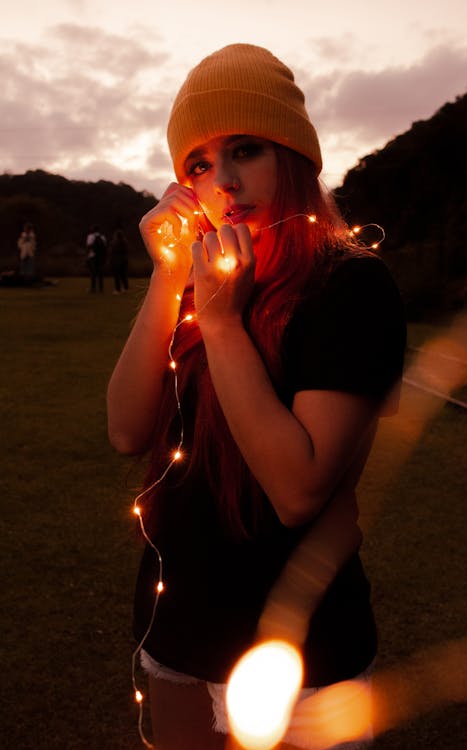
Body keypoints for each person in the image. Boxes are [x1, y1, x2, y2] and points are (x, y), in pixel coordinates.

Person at [107, 44, 406, 750]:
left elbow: (297, 490)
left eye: (247, 150)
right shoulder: (206, 278)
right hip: (179, 633)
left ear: (294, 158)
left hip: (298, 655)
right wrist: (167, 280)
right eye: (199, 166)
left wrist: (221, 323)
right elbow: (126, 428)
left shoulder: (348, 284)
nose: (225, 183)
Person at [85, 224, 107, 292]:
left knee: (93, 273)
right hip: (100, 257)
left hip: (92, 256)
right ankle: (101, 288)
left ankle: (93, 288)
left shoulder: (90, 236)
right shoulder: (103, 237)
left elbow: (88, 246)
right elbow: (105, 247)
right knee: (100, 273)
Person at [109, 228, 130, 294]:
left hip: (116, 261)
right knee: (123, 275)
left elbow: (111, 252)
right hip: (124, 260)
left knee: (117, 276)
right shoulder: (125, 242)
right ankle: (125, 288)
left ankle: (117, 289)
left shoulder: (113, 243)